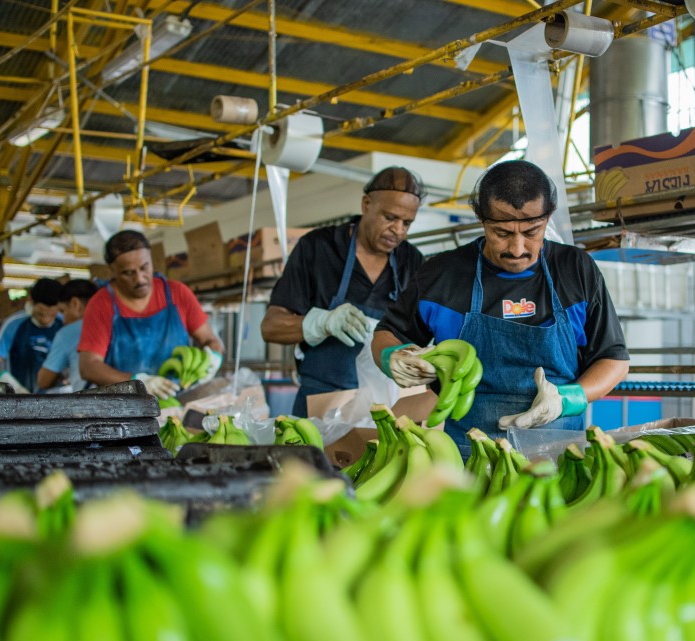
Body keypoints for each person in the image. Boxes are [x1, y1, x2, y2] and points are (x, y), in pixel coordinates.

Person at [372, 160, 630, 457]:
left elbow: (614, 359)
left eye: (532, 232)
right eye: (502, 233)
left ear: (548, 219)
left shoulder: (575, 270)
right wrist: (393, 357)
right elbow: (386, 334)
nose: (517, 249)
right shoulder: (441, 274)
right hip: (467, 454)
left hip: (560, 453)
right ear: (482, 220)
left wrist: (567, 399)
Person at [261, 166, 426, 416]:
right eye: (390, 218)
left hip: (383, 407)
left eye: (407, 223)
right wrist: (322, 322)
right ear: (366, 204)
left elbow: (424, 332)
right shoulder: (317, 249)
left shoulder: (412, 262)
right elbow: (270, 326)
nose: (399, 230)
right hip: (321, 404)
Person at [78, 230, 224, 399]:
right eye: (128, 273)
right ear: (113, 270)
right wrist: (136, 382)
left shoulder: (178, 294)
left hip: (176, 400)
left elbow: (209, 340)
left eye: (144, 267)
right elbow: (88, 366)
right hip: (125, 407)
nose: (139, 279)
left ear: (151, 260)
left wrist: (214, 356)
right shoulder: (101, 304)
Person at [0, 278, 64, 393]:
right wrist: (16, 389)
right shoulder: (15, 324)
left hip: (56, 396)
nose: (46, 317)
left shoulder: (64, 324)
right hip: (21, 397)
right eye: (41, 312)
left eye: (51, 313)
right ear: (31, 302)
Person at [37, 279, 99, 392]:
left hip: (89, 403)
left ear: (75, 304)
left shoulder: (68, 333)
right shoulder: (113, 324)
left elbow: (43, 380)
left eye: (62, 311)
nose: (62, 319)